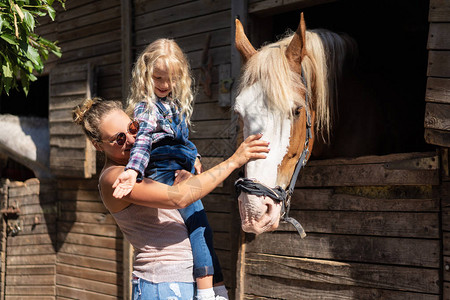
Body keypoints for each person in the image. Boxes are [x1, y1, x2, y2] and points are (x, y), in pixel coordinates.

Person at [72, 97, 269, 300]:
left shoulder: (144, 163)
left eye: (133, 128)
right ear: (98, 146)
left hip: (183, 279)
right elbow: (179, 198)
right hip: (162, 283)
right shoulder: (115, 178)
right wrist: (234, 161)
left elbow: (181, 184)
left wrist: (188, 175)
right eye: (119, 139)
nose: (131, 140)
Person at [110, 38, 226, 299]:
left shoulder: (175, 106)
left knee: (201, 225)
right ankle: (210, 292)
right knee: (198, 223)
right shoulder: (147, 108)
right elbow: (142, 143)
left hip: (179, 167)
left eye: (170, 79)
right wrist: (133, 171)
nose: (163, 85)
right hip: (162, 169)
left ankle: (216, 286)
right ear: (145, 74)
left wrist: (194, 163)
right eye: (157, 78)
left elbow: (183, 142)